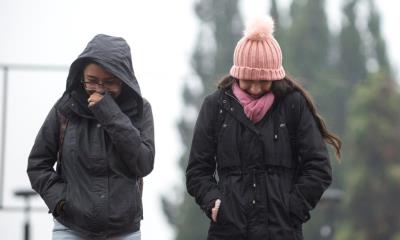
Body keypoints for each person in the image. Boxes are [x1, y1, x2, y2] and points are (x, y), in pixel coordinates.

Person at [186, 16, 341, 240]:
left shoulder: (293, 105)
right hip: (229, 232)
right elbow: (197, 171)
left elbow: (318, 167)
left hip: (282, 231)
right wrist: (214, 203)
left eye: (264, 80)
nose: (256, 88)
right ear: (236, 73)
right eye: (249, 79)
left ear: (275, 76)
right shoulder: (215, 106)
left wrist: (294, 208)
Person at [27, 34, 155, 240]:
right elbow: (37, 164)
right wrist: (61, 201)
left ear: (124, 79)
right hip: (70, 228)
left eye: (109, 82)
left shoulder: (141, 110)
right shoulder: (64, 109)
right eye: (92, 81)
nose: (99, 89)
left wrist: (110, 113)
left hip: (125, 231)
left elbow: (143, 164)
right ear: (81, 77)